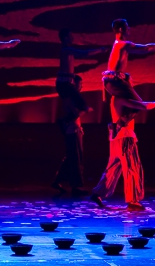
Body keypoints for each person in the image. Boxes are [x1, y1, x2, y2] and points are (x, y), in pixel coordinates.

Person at [90, 19, 155, 211]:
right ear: (120, 29)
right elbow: (145, 49)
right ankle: (133, 200)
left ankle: (98, 193)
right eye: (127, 28)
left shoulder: (117, 98)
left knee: (114, 166)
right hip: (125, 137)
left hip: (116, 138)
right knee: (132, 165)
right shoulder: (122, 44)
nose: (130, 30)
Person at [52, 28, 109, 195]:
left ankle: (58, 181)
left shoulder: (69, 91)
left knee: (72, 157)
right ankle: (76, 186)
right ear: (65, 38)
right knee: (76, 158)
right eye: (70, 36)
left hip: (75, 129)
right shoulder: (66, 50)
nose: (73, 37)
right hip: (72, 130)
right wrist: (99, 50)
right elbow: (83, 53)